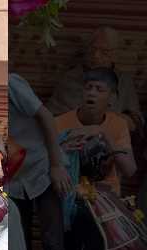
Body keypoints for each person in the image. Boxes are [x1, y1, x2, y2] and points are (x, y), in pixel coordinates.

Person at [8, 73, 72, 250]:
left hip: (42, 171)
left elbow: (46, 116)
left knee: (53, 241)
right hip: (13, 180)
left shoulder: (12, 83)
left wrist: (56, 165)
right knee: (19, 244)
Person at [47, 26, 143, 135]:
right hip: (72, 138)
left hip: (111, 139)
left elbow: (136, 120)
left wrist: (117, 120)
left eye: (104, 51)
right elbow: (50, 116)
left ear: (115, 55)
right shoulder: (70, 78)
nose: (96, 56)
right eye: (93, 49)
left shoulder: (124, 80)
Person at [56, 68, 136, 196]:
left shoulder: (119, 124)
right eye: (88, 88)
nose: (91, 93)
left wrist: (103, 133)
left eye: (99, 89)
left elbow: (130, 170)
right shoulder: (59, 123)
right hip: (69, 194)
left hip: (106, 196)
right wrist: (61, 150)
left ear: (112, 98)